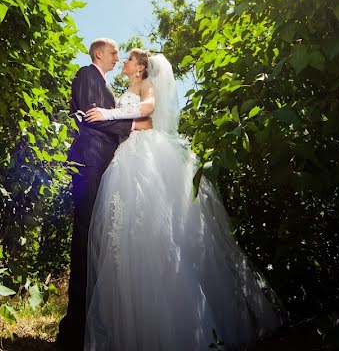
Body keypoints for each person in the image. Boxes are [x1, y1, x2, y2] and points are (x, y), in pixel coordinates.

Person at [82, 49, 282, 350]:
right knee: (126, 236)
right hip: (125, 155)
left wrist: (109, 114)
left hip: (142, 156)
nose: (123, 61)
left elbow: (148, 110)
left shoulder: (144, 86)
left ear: (140, 68)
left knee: (153, 229)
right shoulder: (126, 88)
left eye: (129, 60)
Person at [56, 38, 152, 350]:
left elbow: (109, 116)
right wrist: (129, 128)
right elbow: (89, 117)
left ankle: (91, 325)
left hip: (106, 166)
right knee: (85, 239)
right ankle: (75, 329)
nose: (117, 57)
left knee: (99, 240)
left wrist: (118, 120)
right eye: (113, 53)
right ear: (99, 53)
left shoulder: (109, 88)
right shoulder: (87, 74)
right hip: (91, 162)